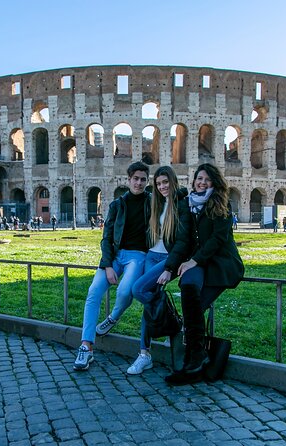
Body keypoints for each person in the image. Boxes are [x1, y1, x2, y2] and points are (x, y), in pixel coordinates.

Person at [165, 163, 244, 385]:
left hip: (219, 262)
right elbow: (186, 237)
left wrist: (193, 260)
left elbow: (217, 240)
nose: (202, 183)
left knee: (194, 309)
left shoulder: (221, 204)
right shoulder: (189, 203)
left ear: (214, 183)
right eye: (199, 178)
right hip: (199, 262)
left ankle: (193, 361)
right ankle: (196, 359)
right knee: (188, 289)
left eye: (207, 180)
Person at [73, 162, 151, 371]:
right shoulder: (118, 205)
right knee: (93, 292)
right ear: (128, 180)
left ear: (147, 181)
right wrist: (107, 265)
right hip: (115, 256)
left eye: (143, 179)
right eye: (136, 178)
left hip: (138, 256)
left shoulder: (152, 202)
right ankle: (86, 346)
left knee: (126, 291)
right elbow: (106, 237)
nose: (139, 183)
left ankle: (112, 318)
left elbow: (174, 193)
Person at [128, 166, 192, 375]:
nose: (163, 187)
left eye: (166, 182)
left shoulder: (182, 204)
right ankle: (144, 354)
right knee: (150, 304)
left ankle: (172, 322)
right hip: (151, 256)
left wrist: (169, 267)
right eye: (159, 184)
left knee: (138, 290)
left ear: (173, 182)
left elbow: (183, 240)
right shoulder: (155, 202)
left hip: (167, 259)